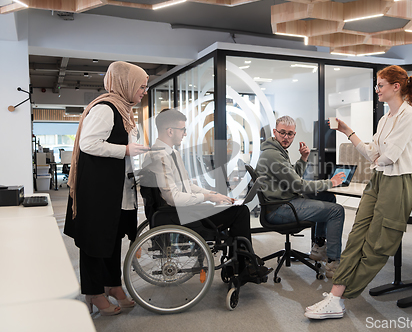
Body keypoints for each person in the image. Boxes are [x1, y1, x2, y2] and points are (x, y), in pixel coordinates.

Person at [305, 65, 412, 319]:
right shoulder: (385, 119)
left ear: (396, 87)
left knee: (377, 244)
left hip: (399, 183)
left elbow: (388, 156)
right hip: (379, 180)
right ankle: (335, 295)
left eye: (380, 85)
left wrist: (376, 156)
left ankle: (338, 295)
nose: (377, 90)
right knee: (356, 237)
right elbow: (371, 153)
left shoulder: (410, 116)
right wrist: (347, 131)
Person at [142, 108, 271, 280]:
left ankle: (242, 263)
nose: (185, 133)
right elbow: (172, 197)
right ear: (170, 131)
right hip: (180, 215)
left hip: (187, 210)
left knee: (233, 208)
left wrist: (212, 194)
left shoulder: (172, 153)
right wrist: (207, 198)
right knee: (240, 213)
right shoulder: (160, 156)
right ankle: (243, 267)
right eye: (182, 129)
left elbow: (187, 185)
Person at [64, 61, 151, 316]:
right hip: (98, 191)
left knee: (112, 238)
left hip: (116, 189)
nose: (144, 91)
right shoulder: (106, 108)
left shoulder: (123, 109)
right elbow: (89, 144)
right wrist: (125, 150)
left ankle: (112, 285)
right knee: (95, 242)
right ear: (126, 84)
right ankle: (93, 292)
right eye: (141, 86)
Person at [256, 115, 346, 278]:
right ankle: (333, 263)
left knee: (328, 199)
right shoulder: (273, 154)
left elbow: (291, 178)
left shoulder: (277, 151)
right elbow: (298, 184)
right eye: (282, 132)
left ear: (294, 135)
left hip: (283, 202)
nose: (286, 137)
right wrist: (330, 182)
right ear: (275, 132)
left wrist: (303, 159)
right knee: (336, 211)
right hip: (279, 209)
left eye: (290, 134)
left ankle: (318, 247)